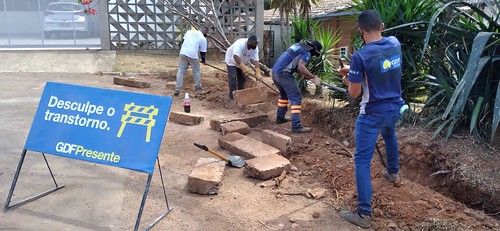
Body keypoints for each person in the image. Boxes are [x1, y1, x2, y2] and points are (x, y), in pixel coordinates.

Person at [337, 10, 405, 229]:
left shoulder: (360, 56)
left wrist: (349, 78)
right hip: (394, 107)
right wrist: (354, 71)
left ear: (360, 31)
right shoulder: (395, 43)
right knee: (389, 134)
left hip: (372, 113)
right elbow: (380, 67)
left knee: (362, 161)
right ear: (382, 26)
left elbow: (355, 93)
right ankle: (393, 173)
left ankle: (364, 214)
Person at [271, 40, 323, 133]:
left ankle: (280, 118)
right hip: (284, 73)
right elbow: (301, 67)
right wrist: (314, 78)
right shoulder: (306, 52)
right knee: (296, 98)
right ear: (314, 50)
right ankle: (296, 125)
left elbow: (293, 63)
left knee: (284, 96)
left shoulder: (298, 46)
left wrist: (303, 75)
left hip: (275, 72)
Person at [224, 35, 262, 100]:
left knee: (242, 78)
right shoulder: (240, 44)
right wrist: (244, 67)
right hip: (231, 61)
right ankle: (232, 97)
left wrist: (258, 72)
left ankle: (241, 94)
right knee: (233, 77)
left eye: (256, 45)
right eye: (253, 44)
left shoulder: (255, 48)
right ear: (249, 42)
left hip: (241, 62)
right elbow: (235, 56)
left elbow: (256, 61)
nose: (254, 46)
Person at [174, 27, 209, 96]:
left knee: (181, 71)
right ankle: (198, 87)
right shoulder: (203, 39)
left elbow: (183, 42)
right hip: (193, 55)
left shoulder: (189, 32)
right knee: (196, 71)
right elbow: (203, 52)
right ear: (205, 32)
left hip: (183, 53)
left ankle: (177, 89)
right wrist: (203, 61)